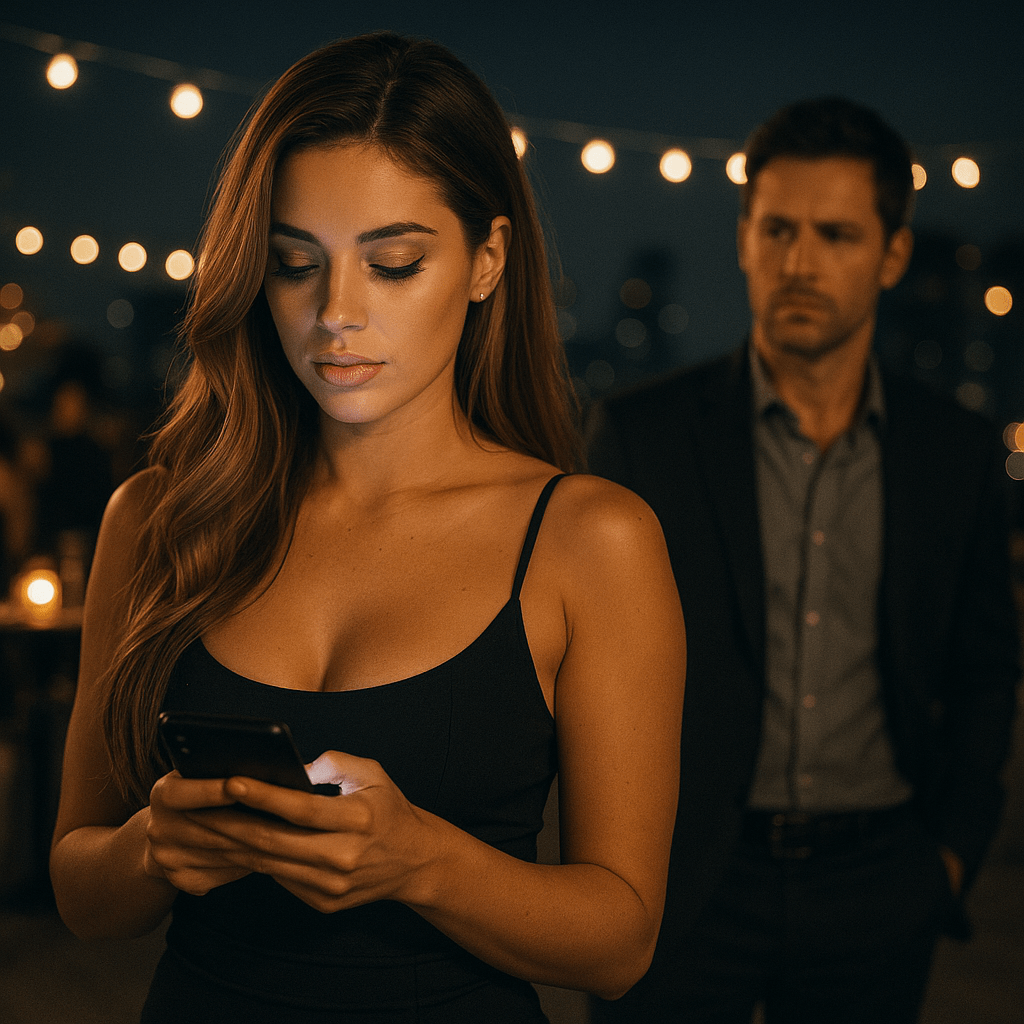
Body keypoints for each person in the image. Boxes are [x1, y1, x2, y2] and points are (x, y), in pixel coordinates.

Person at [49, 32, 686, 1024]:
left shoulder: (587, 539)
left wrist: (424, 862)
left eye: (392, 264)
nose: (335, 313)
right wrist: (152, 847)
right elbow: (82, 895)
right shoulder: (159, 518)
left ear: (485, 261)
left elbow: (619, 943)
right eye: (295, 263)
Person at [586, 96, 1020, 1024]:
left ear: (893, 255)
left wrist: (949, 856)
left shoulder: (956, 452)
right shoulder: (643, 435)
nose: (800, 263)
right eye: (776, 229)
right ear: (743, 238)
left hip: (881, 879)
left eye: (836, 234)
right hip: (687, 873)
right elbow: (588, 663)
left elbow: (986, 670)